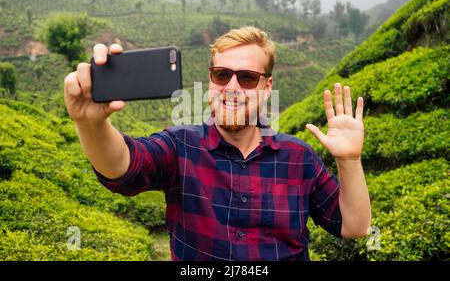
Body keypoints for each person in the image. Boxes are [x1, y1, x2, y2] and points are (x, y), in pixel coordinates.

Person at [64, 26, 371, 261]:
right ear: (211, 81)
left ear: (267, 87)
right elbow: (123, 167)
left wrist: (349, 160)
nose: (232, 87)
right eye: (222, 75)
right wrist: (91, 124)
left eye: (248, 78)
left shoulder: (298, 157)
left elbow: (353, 226)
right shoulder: (180, 146)